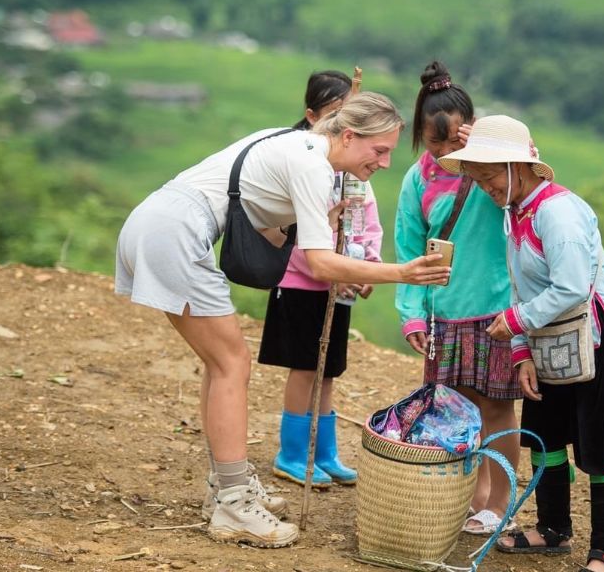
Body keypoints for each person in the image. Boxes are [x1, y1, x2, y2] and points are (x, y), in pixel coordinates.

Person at [114, 92, 450, 549]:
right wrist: (402, 273)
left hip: (158, 220)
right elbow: (322, 265)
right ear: (349, 136)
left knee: (221, 363)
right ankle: (234, 501)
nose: (386, 163)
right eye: (380, 150)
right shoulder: (312, 165)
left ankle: (227, 485)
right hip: (175, 233)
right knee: (232, 363)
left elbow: (268, 223)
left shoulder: (293, 144)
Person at [438, 115, 604, 572]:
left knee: (598, 445)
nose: (485, 186)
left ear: (517, 166)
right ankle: (552, 529)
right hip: (551, 338)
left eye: (489, 175)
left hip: (599, 338)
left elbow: (570, 287)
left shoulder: (557, 213)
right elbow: (521, 285)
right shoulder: (518, 213)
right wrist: (521, 352)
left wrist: (514, 322)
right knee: (545, 433)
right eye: (478, 177)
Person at [394, 62, 521, 535]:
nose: (445, 151)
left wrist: (486, 152)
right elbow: (409, 253)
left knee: (495, 408)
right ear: (421, 137)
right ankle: (476, 498)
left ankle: (503, 500)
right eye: (435, 142)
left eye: (455, 141)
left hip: (497, 312)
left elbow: (521, 197)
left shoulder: (494, 171)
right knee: (458, 412)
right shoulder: (417, 181)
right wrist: (411, 315)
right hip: (443, 315)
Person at [258, 71, 382, 487]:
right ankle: (292, 453)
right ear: (312, 117)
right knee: (305, 367)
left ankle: (324, 451)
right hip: (301, 283)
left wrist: (368, 266)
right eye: (334, 115)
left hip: (341, 285)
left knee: (328, 369)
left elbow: (370, 225)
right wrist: (325, 266)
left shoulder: (356, 174)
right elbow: (288, 234)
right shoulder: (302, 167)